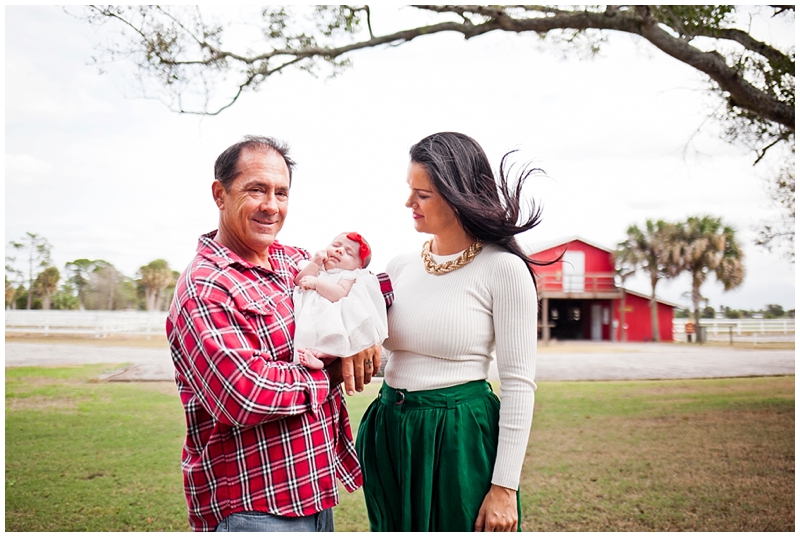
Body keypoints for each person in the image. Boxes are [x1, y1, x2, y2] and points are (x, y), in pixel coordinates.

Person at [166, 135, 391, 532]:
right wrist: (334, 372)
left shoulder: (293, 262)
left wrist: (365, 332)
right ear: (220, 194)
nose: (272, 205)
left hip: (313, 492)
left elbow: (355, 298)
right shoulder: (205, 286)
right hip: (253, 508)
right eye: (257, 190)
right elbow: (245, 394)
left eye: (281, 193)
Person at [356, 132, 543, 532]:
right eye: (410, 191)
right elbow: (396, 352)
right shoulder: (400, 266)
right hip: (391, 430)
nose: (409, 203)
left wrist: (504, 488)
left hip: (458, 436)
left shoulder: (503, 269)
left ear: (457, 195)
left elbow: (518, 384)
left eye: (421, 194)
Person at [293, 232, 388, 370]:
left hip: (327, 313)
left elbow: (339, 293)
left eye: (349, 253)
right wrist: (315, 262)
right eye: (336, 245)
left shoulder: (348, 275)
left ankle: (325, 357)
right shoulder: (317, 267)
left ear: (358, 267)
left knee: (332, 332)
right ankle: (313, 356)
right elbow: (299, 281)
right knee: (307, 334)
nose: (339, 250)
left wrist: (317, 284)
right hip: (308, 312)